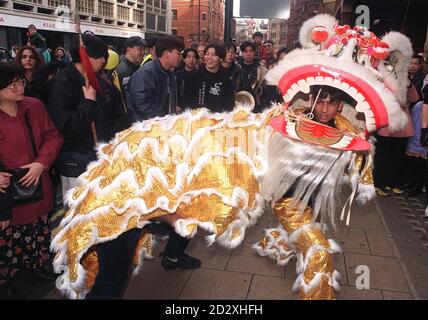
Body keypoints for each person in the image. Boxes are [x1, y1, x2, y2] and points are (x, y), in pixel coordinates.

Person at [0, 62, 63, 298]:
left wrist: (41, 163)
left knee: (39, 229)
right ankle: (13, 278)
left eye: (21, 82)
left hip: (38, 184)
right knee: (11, 239)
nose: (19, 87)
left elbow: (53, 136)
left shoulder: (34, 106)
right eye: (12, 84)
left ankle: (37, 268)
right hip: (7, 194)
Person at [46, 34, 128, 200]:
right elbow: (66, 127)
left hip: (98, 157)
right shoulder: (62, 84)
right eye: (98, 57)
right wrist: (88, 103)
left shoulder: (96, 81)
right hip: (76, 164)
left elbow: (110, 118)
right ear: (85, 57)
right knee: (79, 212)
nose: (103, 61)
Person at [184, 43, 235, 112]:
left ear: (221, 59)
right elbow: (186, 102)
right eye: (207, 54)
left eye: (213, 55)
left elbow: (229, 107)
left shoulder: (226, 80)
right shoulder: (194, 76)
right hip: (196, 119)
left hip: (218, 120)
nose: (209, 57)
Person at [236, 41, 268, 112]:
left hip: (256, 103)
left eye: (251, 51)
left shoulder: (262, 69)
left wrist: (259, 89)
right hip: (237, 102)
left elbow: (266, 87)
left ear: (254, 52)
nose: (248, 54)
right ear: (242, 53)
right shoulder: (235, 67)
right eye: (245, 51)